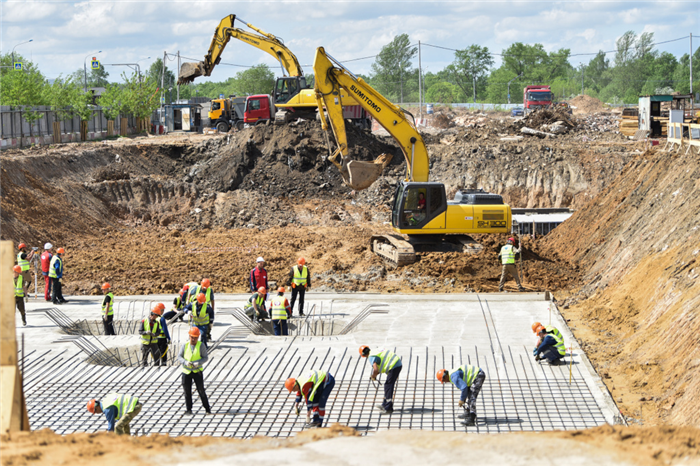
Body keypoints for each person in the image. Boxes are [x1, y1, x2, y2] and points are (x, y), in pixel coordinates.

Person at [178, 326, 212, 415]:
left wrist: (198, 363)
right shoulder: (185, 345)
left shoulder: (201, 345)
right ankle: (189, 409)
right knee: (187, 391)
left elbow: (205, 357)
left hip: (197, 372)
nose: (193, 339)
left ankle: (207, 408)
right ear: (189, 336)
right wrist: (185, 362)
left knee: (201, 390)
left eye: (195, 337)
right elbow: (179, 357)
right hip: (186, 372)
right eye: (192, 337)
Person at [360, 346, 402, 414]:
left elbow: (376, 369)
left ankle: (388, 408)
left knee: (388, 385)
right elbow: (381, 365)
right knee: (388, 385)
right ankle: (384, 404)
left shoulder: (371, 357)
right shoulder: (375, 351)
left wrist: (373, 376)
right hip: (397, 363)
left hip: (394, 366)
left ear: (363, 355)